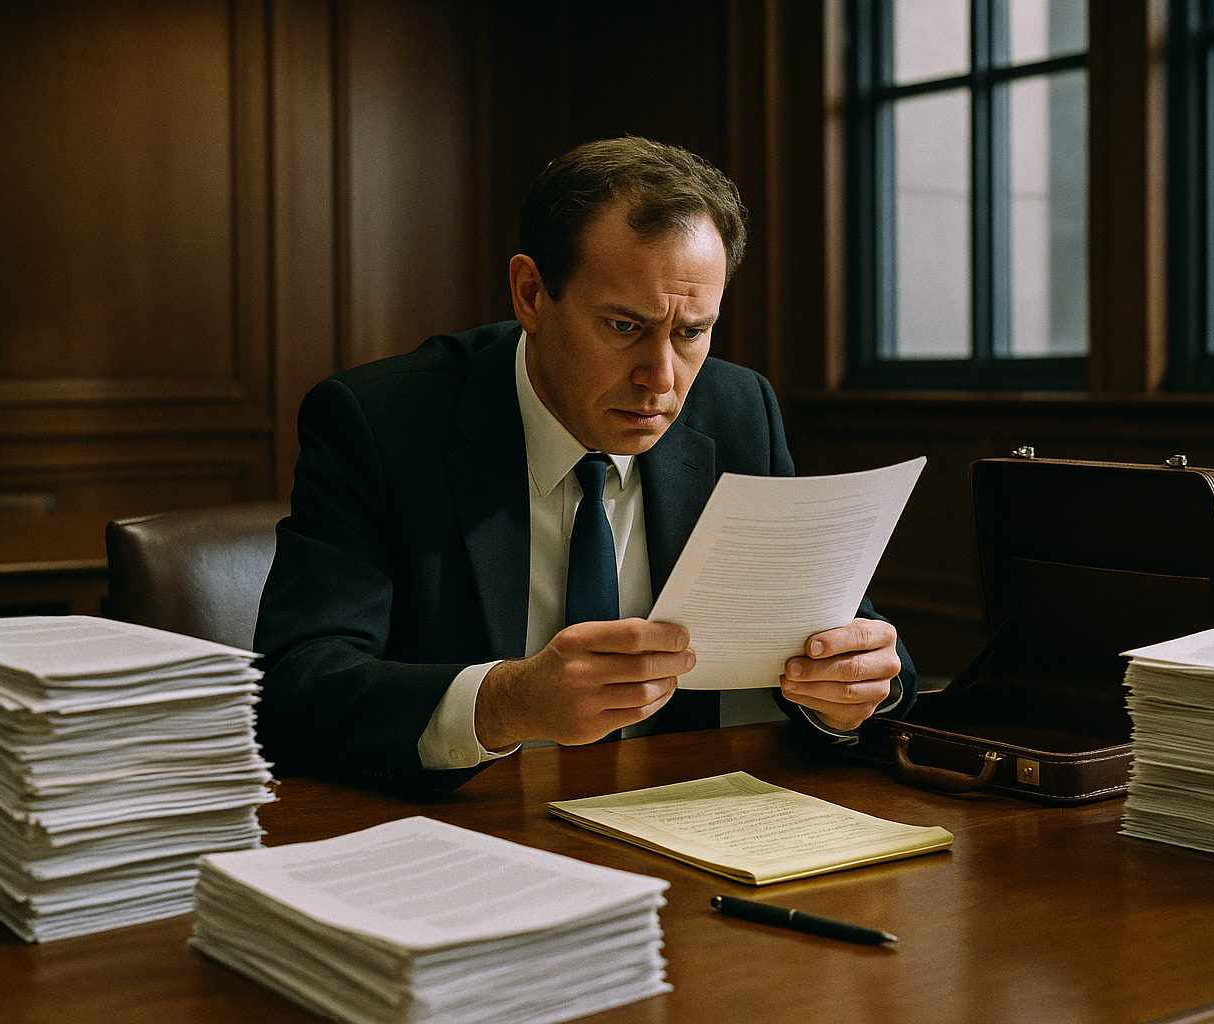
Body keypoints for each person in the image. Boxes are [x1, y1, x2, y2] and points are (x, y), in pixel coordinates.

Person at [254, 136, 916, 791]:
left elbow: (852, 640)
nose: (660, 379)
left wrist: (851, 689)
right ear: (532, 295)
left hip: (685, 824)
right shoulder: (378, 424)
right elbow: (297, 689)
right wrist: (504, 702)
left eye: (691, 332)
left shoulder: (740, 412)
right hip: (467, 835)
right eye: (625, 326)